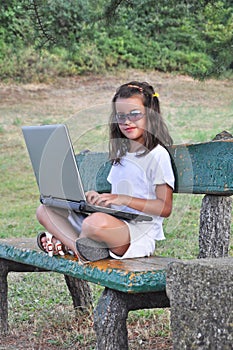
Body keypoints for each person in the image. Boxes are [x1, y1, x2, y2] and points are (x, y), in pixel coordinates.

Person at [36, 81, 175, 262]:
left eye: (134, 114)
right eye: (120, 116)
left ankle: (68, 244)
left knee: (94, 223)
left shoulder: (157, 155)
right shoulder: (121, 152)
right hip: (112, 221)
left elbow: (165, 207)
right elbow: (117, 201)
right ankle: (80, 248)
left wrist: (122, 199)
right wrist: (98, 199)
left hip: (138, 233)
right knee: (45, 210)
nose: (126, 122)